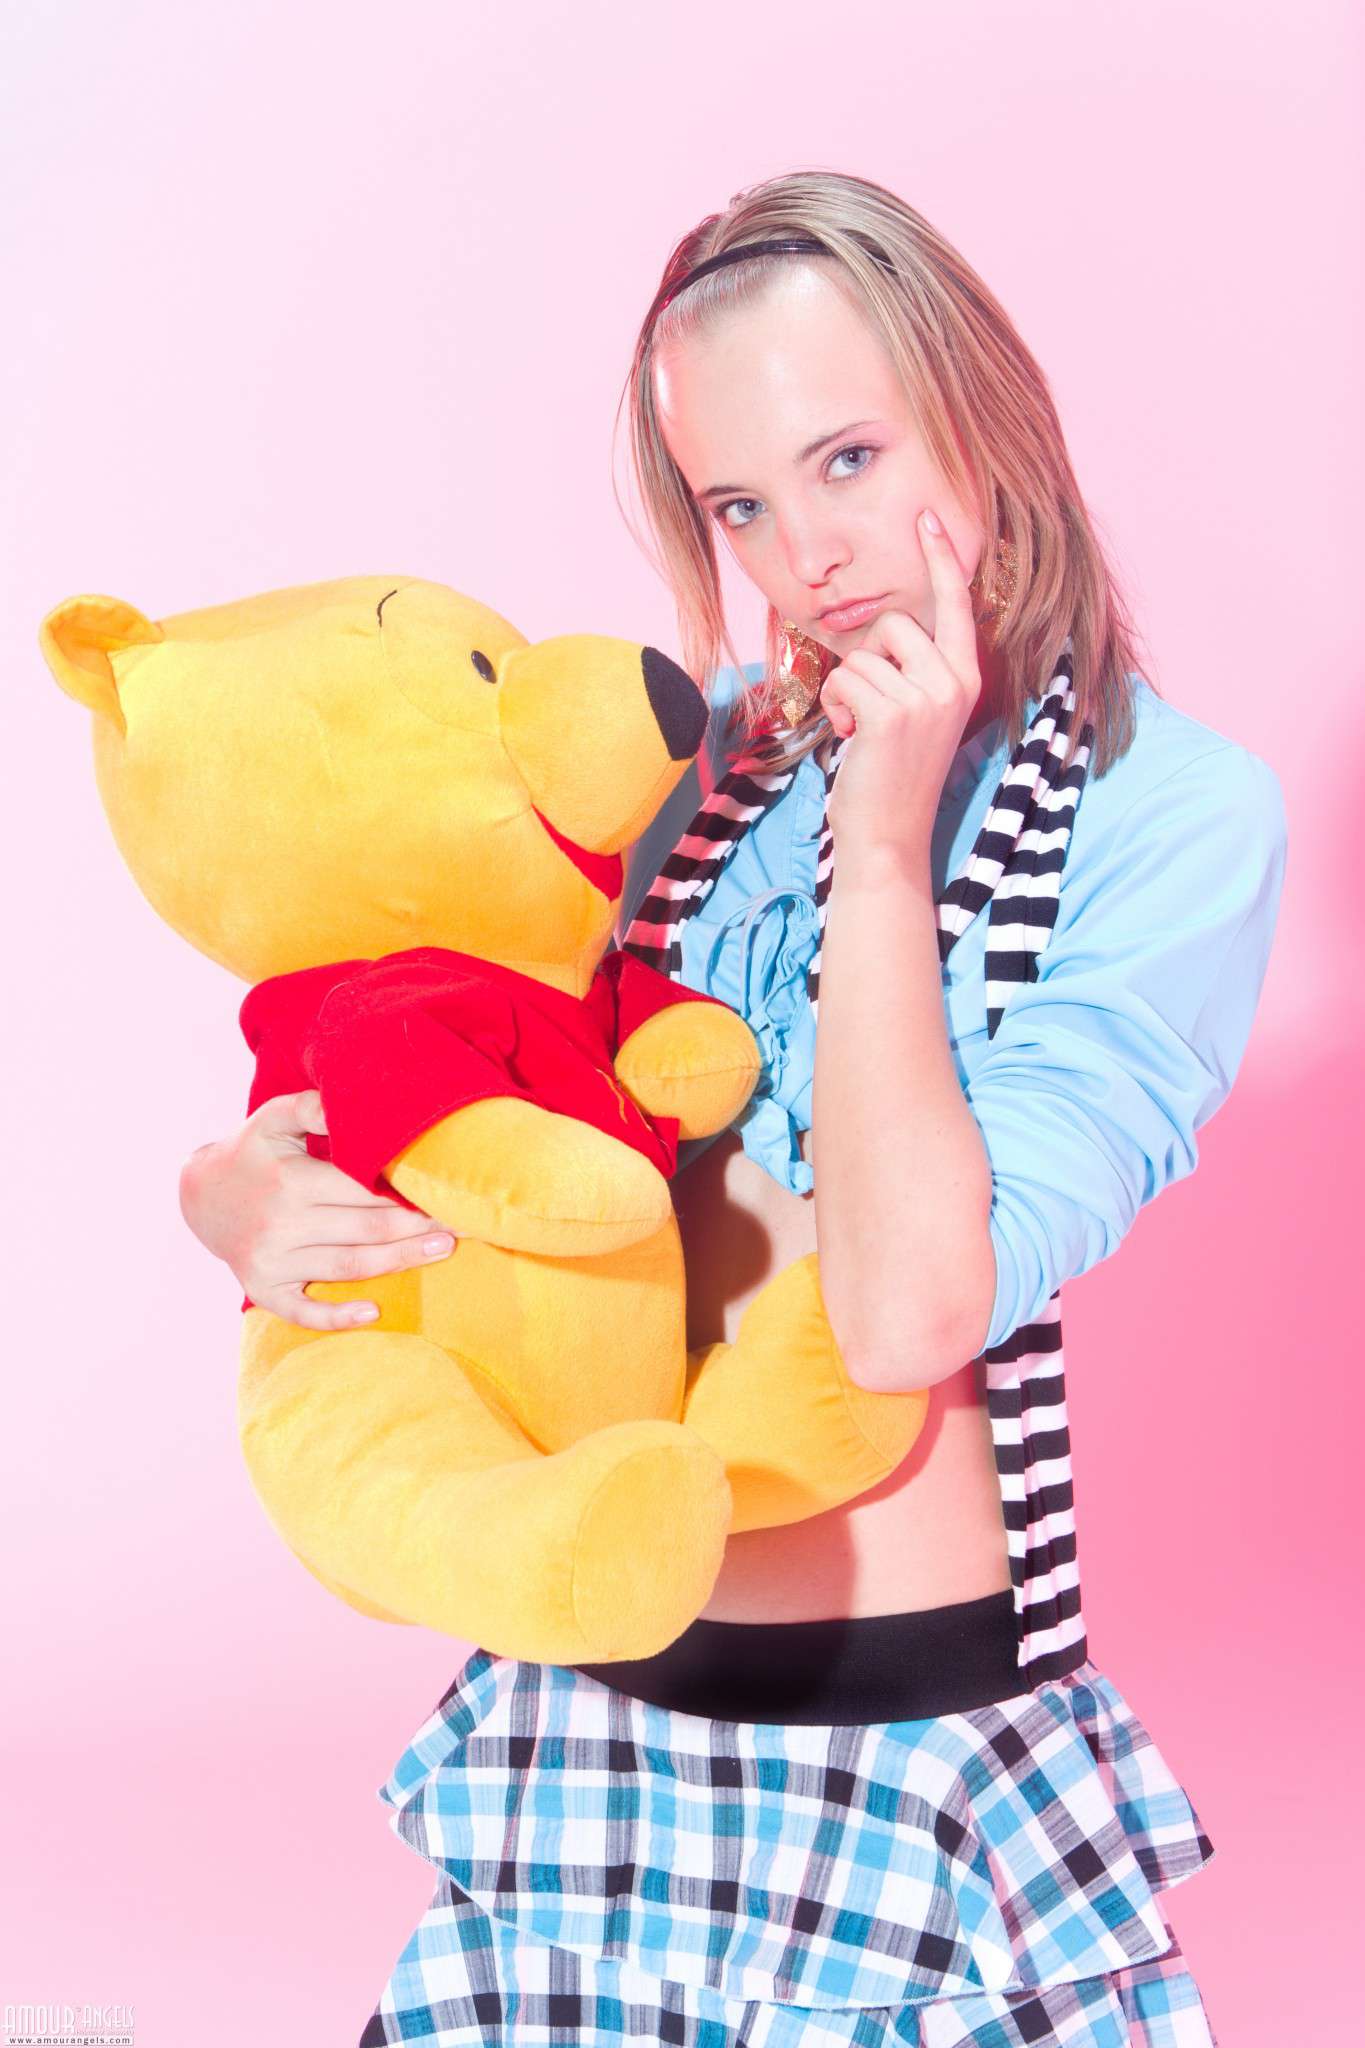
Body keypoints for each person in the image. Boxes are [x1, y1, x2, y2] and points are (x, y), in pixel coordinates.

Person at [179, 171, 1287, 2046]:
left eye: (848, 458)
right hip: (584, 1692)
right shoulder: (689, 783)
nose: (809, 557)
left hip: (904, 1745)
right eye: (741, 505)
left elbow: (909, 1312)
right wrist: (237, 1189)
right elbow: (457, 1095)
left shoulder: (1169, 820)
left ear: (986, 419)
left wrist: (882, 844)